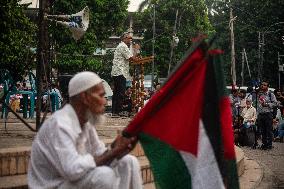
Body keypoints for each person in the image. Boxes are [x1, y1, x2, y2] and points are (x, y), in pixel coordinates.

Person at [28, 71, 142, 189]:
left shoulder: (86, 122)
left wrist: (117, 148)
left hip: (72, 180)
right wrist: (113, 152)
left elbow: (99, 153)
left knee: (128, 162)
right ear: (85, 97)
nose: (105, 102)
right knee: (104, 176)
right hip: (55, 185)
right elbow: (72, 170)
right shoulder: (60, 124)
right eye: (101, 96)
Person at [111, 32, 139, 116]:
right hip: (120, 72)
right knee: (120, 92)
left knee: (116, 92)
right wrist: (136, 50)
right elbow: (132, 59)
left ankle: (114, 112)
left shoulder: (121, 46)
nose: (131, 40)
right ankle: (118, 111)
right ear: (124, 38)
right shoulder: (123, 46)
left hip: (117, 72)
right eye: (129, 38)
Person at [256, 81, 277, 150]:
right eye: (262, 85)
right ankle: (264, 144)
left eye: (264, 85)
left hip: (268, 114)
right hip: (261, 114)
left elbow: (275, 103)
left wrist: (267, 104)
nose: (262, 86)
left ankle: (269, 145)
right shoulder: (260, 94)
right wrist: (258, 113)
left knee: (269, 130)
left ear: (267, 87)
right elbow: (258, 105)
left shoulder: (271, 94)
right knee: (263, 130)